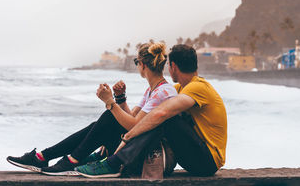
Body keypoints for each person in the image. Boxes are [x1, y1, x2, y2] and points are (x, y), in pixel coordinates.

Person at [6, 42, 177, 175]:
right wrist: (120, 99)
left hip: (152, 157)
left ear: (143, 65)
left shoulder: (162, 92)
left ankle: (69, 160)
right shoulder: (153, 90)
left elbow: (133, 126)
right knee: (105, 120)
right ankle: (45, 157)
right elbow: (131, 119)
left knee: (109, 116)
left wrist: (110, 103)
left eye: (136, 62)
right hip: (139, 148)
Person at [75, 44, 227, 178]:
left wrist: (126, 138)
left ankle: (114, 163)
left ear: (172, 66)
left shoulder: (199, 87)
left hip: (207, 162)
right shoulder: (180, 89)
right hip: (194, 156)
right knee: (156, 117)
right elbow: (141, 118)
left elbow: (161, 114)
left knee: (166, 118)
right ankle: (105, 160)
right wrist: (120, 101)